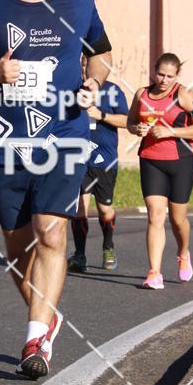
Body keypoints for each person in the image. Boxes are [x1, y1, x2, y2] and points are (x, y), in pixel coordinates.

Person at [0, 0, 112, 379]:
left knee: (51, 234)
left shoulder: (78, 3)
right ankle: (45, 317)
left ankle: (34, 340)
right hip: (6, 140)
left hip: (64, 134)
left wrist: (93, 81)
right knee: (17, 247)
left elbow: (101, 52)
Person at [126, 52, 193, 289]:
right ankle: (154, 273)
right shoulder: (141, 94)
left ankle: (183, 253)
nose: (164, 80)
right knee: (155, 215)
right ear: (153, 71)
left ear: (177, 75)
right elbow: (130, 122)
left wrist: (172, 132)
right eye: (160, 74)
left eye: (169, 76)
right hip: (151, 159)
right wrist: (137, 129)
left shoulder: (184, 95)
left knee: (177, 218)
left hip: (181, 160)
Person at [67, 79, 128, 273]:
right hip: (78, 157)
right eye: (82, 64)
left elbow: (127, 120)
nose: (85, 70)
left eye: (89, 65)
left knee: (104, 208)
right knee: (79, 208)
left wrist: (100, 114)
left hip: (104, 159)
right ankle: (80, 255)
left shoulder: (112, 89)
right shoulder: (72, 85)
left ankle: (108, 247)